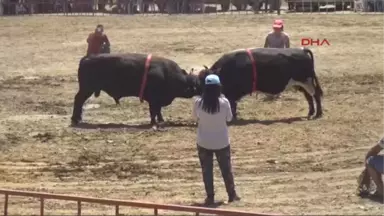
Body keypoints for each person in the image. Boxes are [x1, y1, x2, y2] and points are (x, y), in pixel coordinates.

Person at [192, 74, 240, 205]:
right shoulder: (224, 103)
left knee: (207, 171)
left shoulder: (198, 103)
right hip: (222, 142)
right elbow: (229, 119)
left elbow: (195, 118)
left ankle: (210, 197)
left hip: (204, 142)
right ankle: (231, 194)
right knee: (226, 169)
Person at [263, 19, 290, 101]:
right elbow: (265, 48)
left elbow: (287, 49)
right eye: (275, 28)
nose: (276, 30)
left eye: (278, 28)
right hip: (271, 57)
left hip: (280, 58)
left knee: (279, 76)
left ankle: (278, 92)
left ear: (282, 28)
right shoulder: (269, 36)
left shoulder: (285, 37)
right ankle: (269, 92)